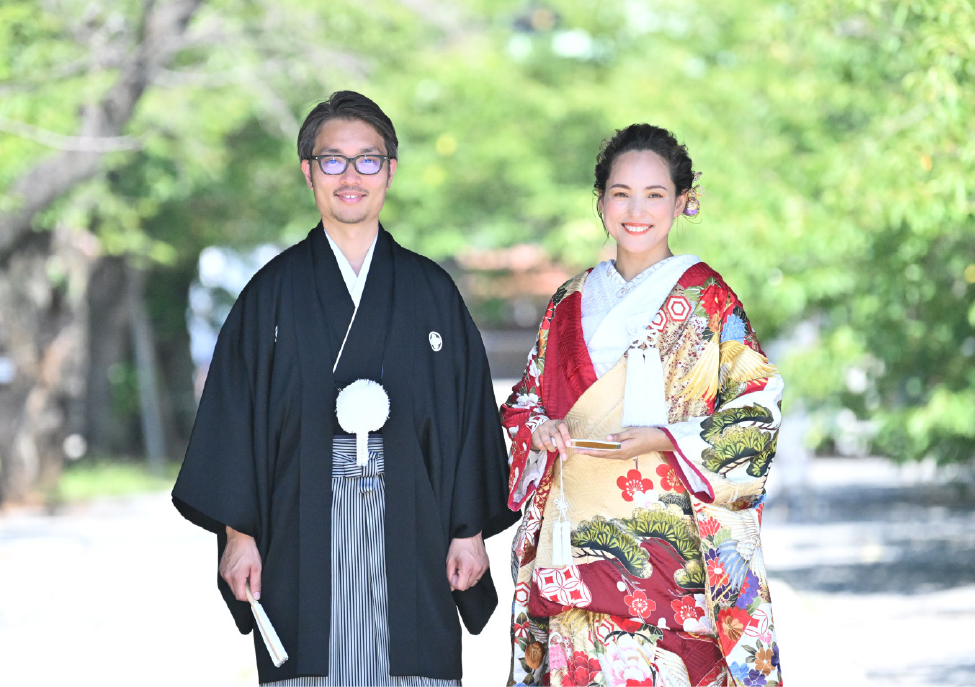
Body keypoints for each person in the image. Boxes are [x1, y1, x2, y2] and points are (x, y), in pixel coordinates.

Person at [172, 91, 518, 686]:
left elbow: (468, 418)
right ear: (308, 171)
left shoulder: (430, 290)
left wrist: (468, 531)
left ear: (390, 170)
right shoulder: (270, 293)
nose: (351, 176)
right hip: (298, 527)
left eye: (369, 160)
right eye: (333, 160)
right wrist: (238, 534)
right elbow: (233, 419)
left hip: (415, 526)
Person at [500, 124, 784, 686]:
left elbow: (759, 406)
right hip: (574, 537)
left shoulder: (708, 296)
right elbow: (524, 401)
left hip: (668, 545)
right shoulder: (569, 299)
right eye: (620, 193)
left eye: (655, 194)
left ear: (682, 201)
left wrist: (665, 437)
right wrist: (542, 429)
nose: (636, 210)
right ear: (600, 201)